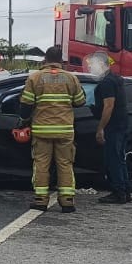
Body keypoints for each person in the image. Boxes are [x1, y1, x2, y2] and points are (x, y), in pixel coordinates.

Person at [19, 45, 85, 213]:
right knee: (65, 164)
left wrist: (23, 120)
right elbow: (80, 102)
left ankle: (41, 200)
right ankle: (67, 201)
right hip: (64, 130)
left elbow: (25, 106)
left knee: (41, 164)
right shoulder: (71, 78)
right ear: (61, 60)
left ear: (45, 60)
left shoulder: (35, 78)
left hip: (42, 130)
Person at [90, 53, 131, 204]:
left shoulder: (107, 82)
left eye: (92, 64)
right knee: (120, 159)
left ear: (101, 64)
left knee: (113, 159)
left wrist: (101, 128)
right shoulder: (116, 79)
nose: (90, 67)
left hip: (113, 125)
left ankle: (118, 192)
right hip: (122, 123)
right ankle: (125, 191)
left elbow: (109, 106)